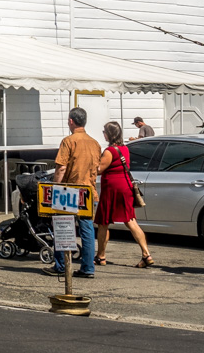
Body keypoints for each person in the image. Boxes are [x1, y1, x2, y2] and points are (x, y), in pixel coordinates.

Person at [43, 107, 101, 278]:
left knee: (62, 227)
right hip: (88, 191)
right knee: (87, 230)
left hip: (69, 190)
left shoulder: (68, 141)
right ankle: (88, 268)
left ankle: (61, 265)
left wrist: (55, 187)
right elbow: (97, 168)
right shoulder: (95, 143)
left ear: (71, 121)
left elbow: (61, 168)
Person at [93, 121, 154, 268]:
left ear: (109, 134)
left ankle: (101, 256)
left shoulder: (109, 151)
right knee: (131, 220)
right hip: (125, 187)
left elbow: (99, 169)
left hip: (112, 188)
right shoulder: (124, 149)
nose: (103, 134)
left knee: (103, 222)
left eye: (104, 131)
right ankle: (146, 254)